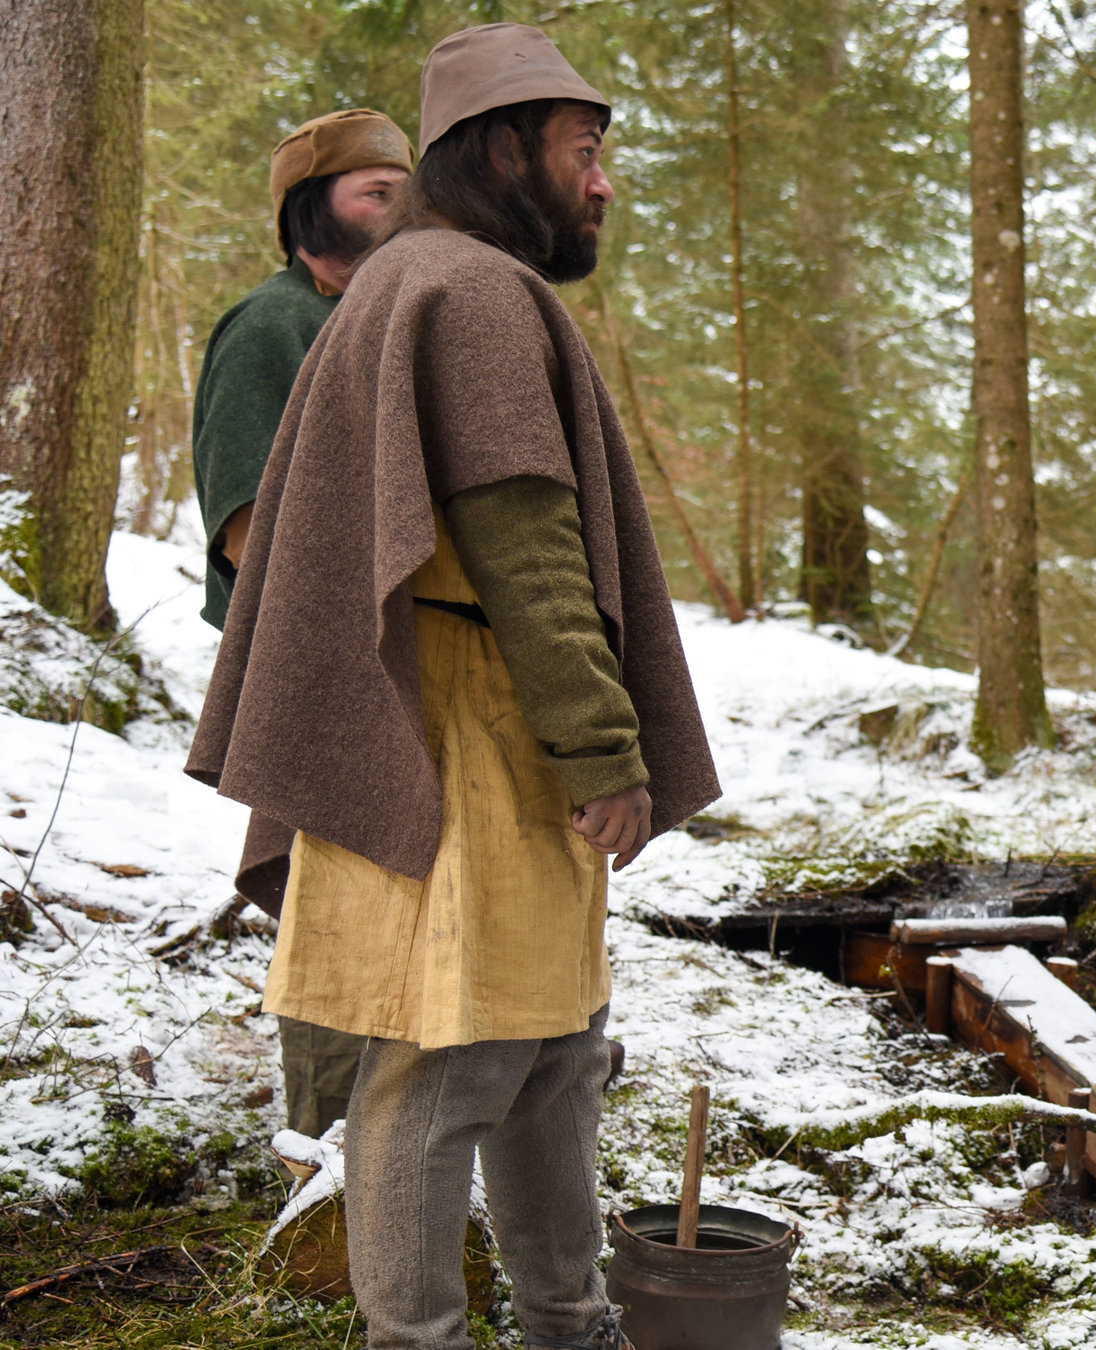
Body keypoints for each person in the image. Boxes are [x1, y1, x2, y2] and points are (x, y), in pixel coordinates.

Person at [187, 23, 719, 1350]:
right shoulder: (466, 291)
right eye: (583, 152)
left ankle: (567, 1317)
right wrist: (605, 747)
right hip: (464, 736)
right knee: (450, 1064)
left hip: (471, 727)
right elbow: (525, 546)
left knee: (549, 1052)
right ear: (497, 150)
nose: (602, 183)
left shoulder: (422, 276)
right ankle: (415, 1337)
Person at [189, 108, 414, 1136]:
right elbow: (244, 523)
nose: (397, 205)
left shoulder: (393, 317)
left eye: (404, 188)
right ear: (305, 209)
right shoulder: (271, 326)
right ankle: (327, 1163)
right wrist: (342, 633)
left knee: (404, 899)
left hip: (409, 664)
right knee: (333, 905)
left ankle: (406, 1142)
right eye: (374, 190)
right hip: (320, 668)